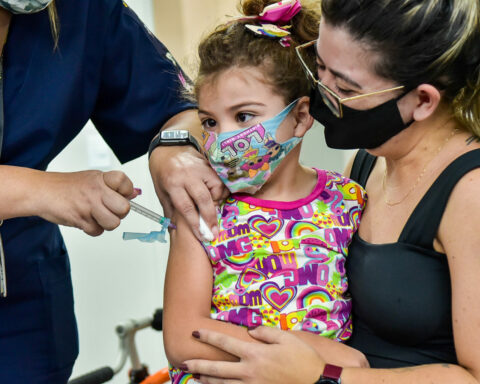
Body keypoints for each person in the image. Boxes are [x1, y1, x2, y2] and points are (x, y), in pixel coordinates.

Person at [152, 0, 480, 383]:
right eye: (318, 66)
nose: (321, 91)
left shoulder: (468, 192)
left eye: (343, 85)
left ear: (422, 100)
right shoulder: (366, 167)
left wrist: (329, 375)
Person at [162, 1, 368, 383]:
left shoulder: (348, 200)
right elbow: (182, 338)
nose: (223, 137)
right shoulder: (204, 208)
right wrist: (325, 356)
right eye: (209, 121)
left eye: (243, 116)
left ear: (301, 117)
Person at [0, 0, 203, 383]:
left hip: (24, 291)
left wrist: (175, 153)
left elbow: (174, 108)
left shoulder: (85, 10)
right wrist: (38, 190)